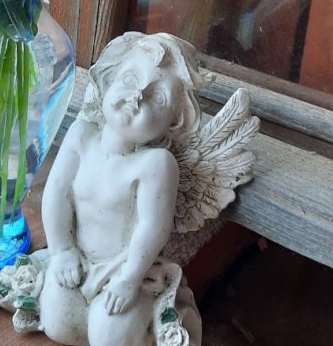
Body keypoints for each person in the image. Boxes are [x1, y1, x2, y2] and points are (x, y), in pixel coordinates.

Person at [37, 32, 206, 346]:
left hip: (126, 269)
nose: (137, 97)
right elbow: (57, 192)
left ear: (173, 122)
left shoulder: (156, 164)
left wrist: (129, 278)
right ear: (110, 78)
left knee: (109, 338)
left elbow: (152, 226)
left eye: (158, 99)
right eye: (130, 79)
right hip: (76, 257)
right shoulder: (81, 134)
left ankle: (148, 324)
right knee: (58, 325)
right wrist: (61, 251)